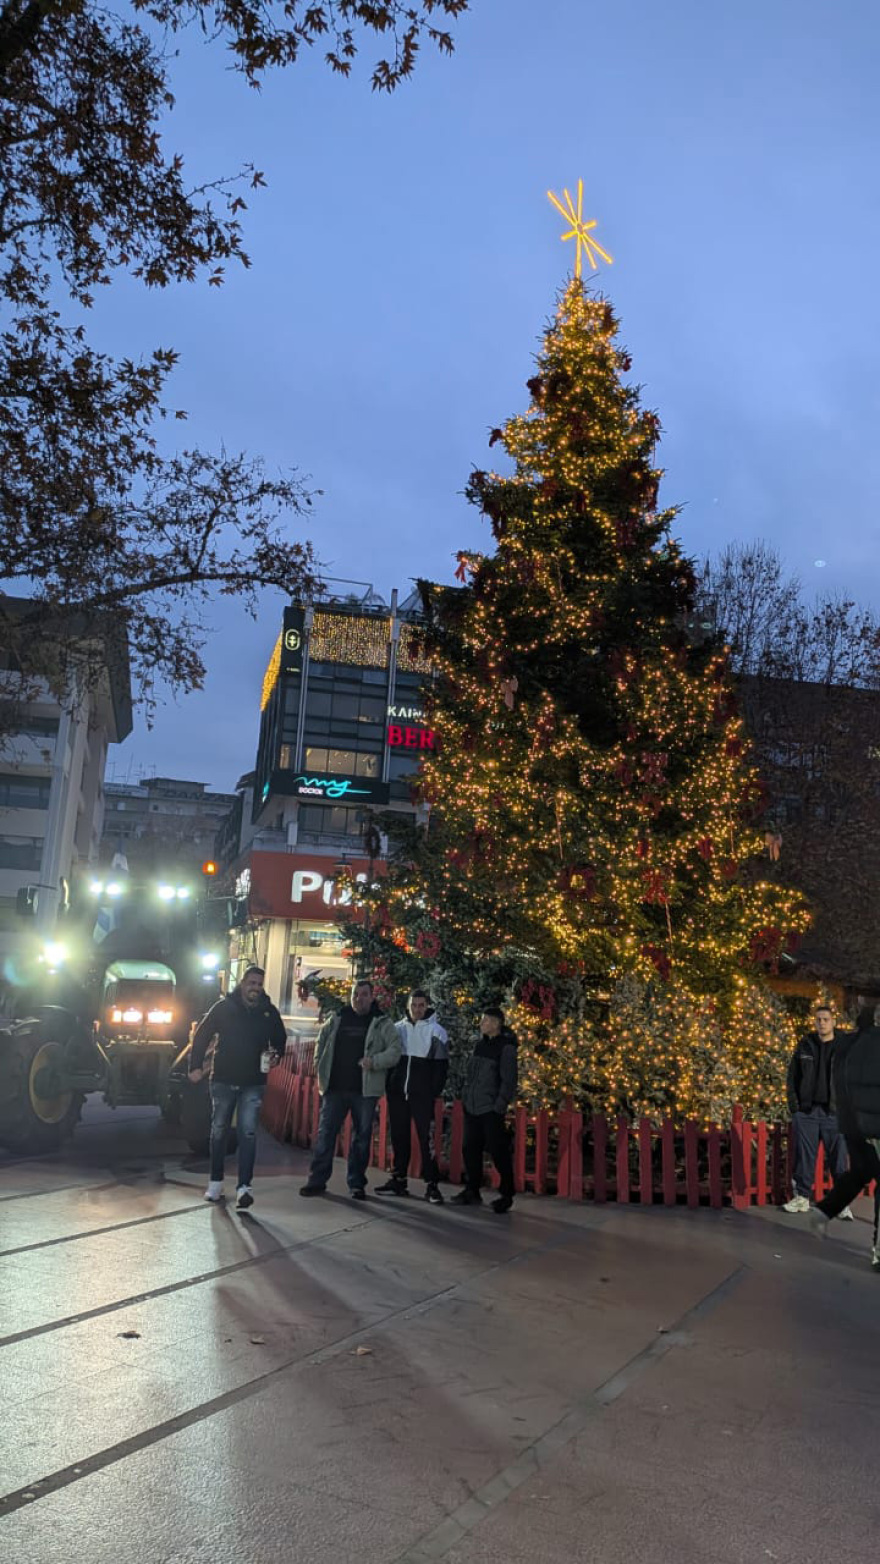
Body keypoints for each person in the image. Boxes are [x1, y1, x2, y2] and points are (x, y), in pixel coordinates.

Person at [189, 965, 287, 1210]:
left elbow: (280, 1038)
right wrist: (195, 1066)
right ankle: (215, 1182)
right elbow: (202, 1034)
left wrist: (277, 1054)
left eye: (259, 984)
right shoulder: (224, 1008)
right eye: (251, 983)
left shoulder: (268, 1012)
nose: (255, 988)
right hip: (223, 1078)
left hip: (253, 1082)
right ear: (242, 984)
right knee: (219, 1130)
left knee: (248, 1132)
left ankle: (245, 1186)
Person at [300, 977, 401, 1200]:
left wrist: (373, 1061)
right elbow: (321, 1041)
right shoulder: (338, 1018)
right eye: (356, 994)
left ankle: (356, 1183)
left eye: (364, 994)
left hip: (364, 1092)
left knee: (361, 1138)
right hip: (335, 1088)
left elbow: (395, 1051)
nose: (359, 998)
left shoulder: (381, 1022)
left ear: (371, 997)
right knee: (325, 1135)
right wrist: (319, 1065)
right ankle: (317, 1180)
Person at [812, 1004, 880, 1257]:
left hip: (852, 1125)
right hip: (874, 1126)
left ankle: (824, 1211)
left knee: (861, 1171)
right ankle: (879, 1249)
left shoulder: (848, 1044)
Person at [376, 989, 449, 1204]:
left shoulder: (437, 1032)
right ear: (408, 1006)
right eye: (413, 1005)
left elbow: (441, 1067)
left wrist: (431, 1092)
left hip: (422, 1095)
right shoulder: (398, 1029)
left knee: (426, 1139)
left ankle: (432, 1184)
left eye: (421, 1005)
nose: (417, 1010)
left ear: (427, 1006)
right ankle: (398, 1178)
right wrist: (391, 1086)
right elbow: (391, 1060)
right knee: (399, 1135)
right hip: (398, 1093)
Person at [782, 1003, 852, 1218]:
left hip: (835, 1113)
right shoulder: (805, 1045)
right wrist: (795, 1107)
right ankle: (802, 1198)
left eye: (825, 1019)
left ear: (833, 1022)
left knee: (838, 1159)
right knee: (804, 1157)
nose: (821, 1023)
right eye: (818, 1019)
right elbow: (792, 1077)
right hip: (808, 1113)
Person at [451, 1007, 517, 1215]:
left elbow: (508, 1080)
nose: (481, 1024)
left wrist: (499, 1105)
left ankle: (506, 1193)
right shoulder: (480, 1045)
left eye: (486, 1021)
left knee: (498, 1151)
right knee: (470, 1148)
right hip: (472, 1106)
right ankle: (472, 1189)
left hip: (490, 1108)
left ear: (496, 1024)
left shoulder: (506, 1048)